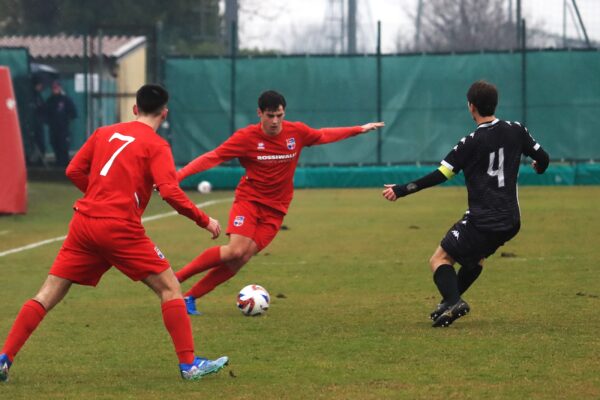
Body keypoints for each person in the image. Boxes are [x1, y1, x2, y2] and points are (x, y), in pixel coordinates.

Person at [0, 84, 228, 383]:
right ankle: (189, 365)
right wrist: (204, 220)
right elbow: (169, 191)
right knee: (170, 288)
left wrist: (100, 194)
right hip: (119, 227)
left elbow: (73, 170)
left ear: (135, 109)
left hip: (84, 223)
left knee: (48, 293)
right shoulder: (157, 146)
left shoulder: (104, 133)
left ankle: (5, 358)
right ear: (165, 113)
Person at [176, 90, 384, 315]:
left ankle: (189, 298)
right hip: (249, 201)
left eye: (279, 115)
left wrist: (358, 129)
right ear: (259, 113)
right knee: (235, 251)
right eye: (270, 116)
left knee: (242, 258)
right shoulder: (246, 138)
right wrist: (177, 177)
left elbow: (323, 135)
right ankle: (175, 279)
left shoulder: (296, 132)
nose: (275, 121)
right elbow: (212, 157)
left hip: (276, 209)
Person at [382, 80, 550, 328]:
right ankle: (449, 303)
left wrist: (401, 190)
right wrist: (539, 167)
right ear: (494, 104)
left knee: (439, 260)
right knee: (475, 259)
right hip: (511, 221)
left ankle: (454, 301)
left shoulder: (469, 142)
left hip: (483, 218)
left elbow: (441, 175)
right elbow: (543, 158)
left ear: (471, 107)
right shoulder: (517, 130)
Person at [45, 81, 77, 167]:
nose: (55, 90)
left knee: (63, 147)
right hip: (53, 129)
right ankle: (58, 165)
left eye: (56, 87)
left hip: (63, 129)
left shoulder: (65, 100)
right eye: (53, 88)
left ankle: (64, 165)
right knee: (55, 146)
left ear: (60, 88)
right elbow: (46, 113)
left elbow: (73, 113)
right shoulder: (50, 100)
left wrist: (66, 120)